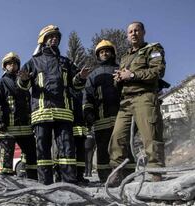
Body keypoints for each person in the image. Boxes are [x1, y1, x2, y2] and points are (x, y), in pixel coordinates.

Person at [18, 25, 89, 185]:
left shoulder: (65, 62)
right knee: (42, 150)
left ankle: (69, 183)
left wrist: (81, 77)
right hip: (41, 113)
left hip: (63, 113)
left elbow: (76, 86)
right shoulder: (33, 62)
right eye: (50, 36)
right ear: (43, 40)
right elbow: (23, 85)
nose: (54, 39)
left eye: (56, 36)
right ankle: (45, 185)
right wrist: (23, 79)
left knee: (67, 149)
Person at [109, 21, 166, 186]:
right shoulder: (125, 56)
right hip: (126, 101)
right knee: (117, 138)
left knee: (151, 136)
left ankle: (156, 173)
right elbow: (122, 80)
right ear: (127, 36)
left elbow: (157, 72)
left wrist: (132, 75)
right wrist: (118, 79)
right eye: (130, 32)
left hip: (145, 97)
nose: (133, 33)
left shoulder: (153, 49)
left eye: (136, 30)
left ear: (143, 32)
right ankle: (117, 172)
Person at [0, 52, 38, 180]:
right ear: (5, 66)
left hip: (25, 127)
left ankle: (31, 178)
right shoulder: (0, 84)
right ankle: (6, 181)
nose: (13, 65)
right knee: (6, 155)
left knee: (30, 154)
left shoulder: (23, 83)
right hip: (7, 127)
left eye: (15, 63)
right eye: (10, 63)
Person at [83, 40, 121, 183]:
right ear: (98, 55)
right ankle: (104, 177)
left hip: (121, 117)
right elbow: (88, 96)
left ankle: (125, 174)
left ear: (112, 53)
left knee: (122, 147)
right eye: (101, 52)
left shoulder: (120, 69)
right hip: (100, 119)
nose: (104, 53)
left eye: (107, 51)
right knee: (103, 149)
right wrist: (88, 112)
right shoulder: (93, 75)